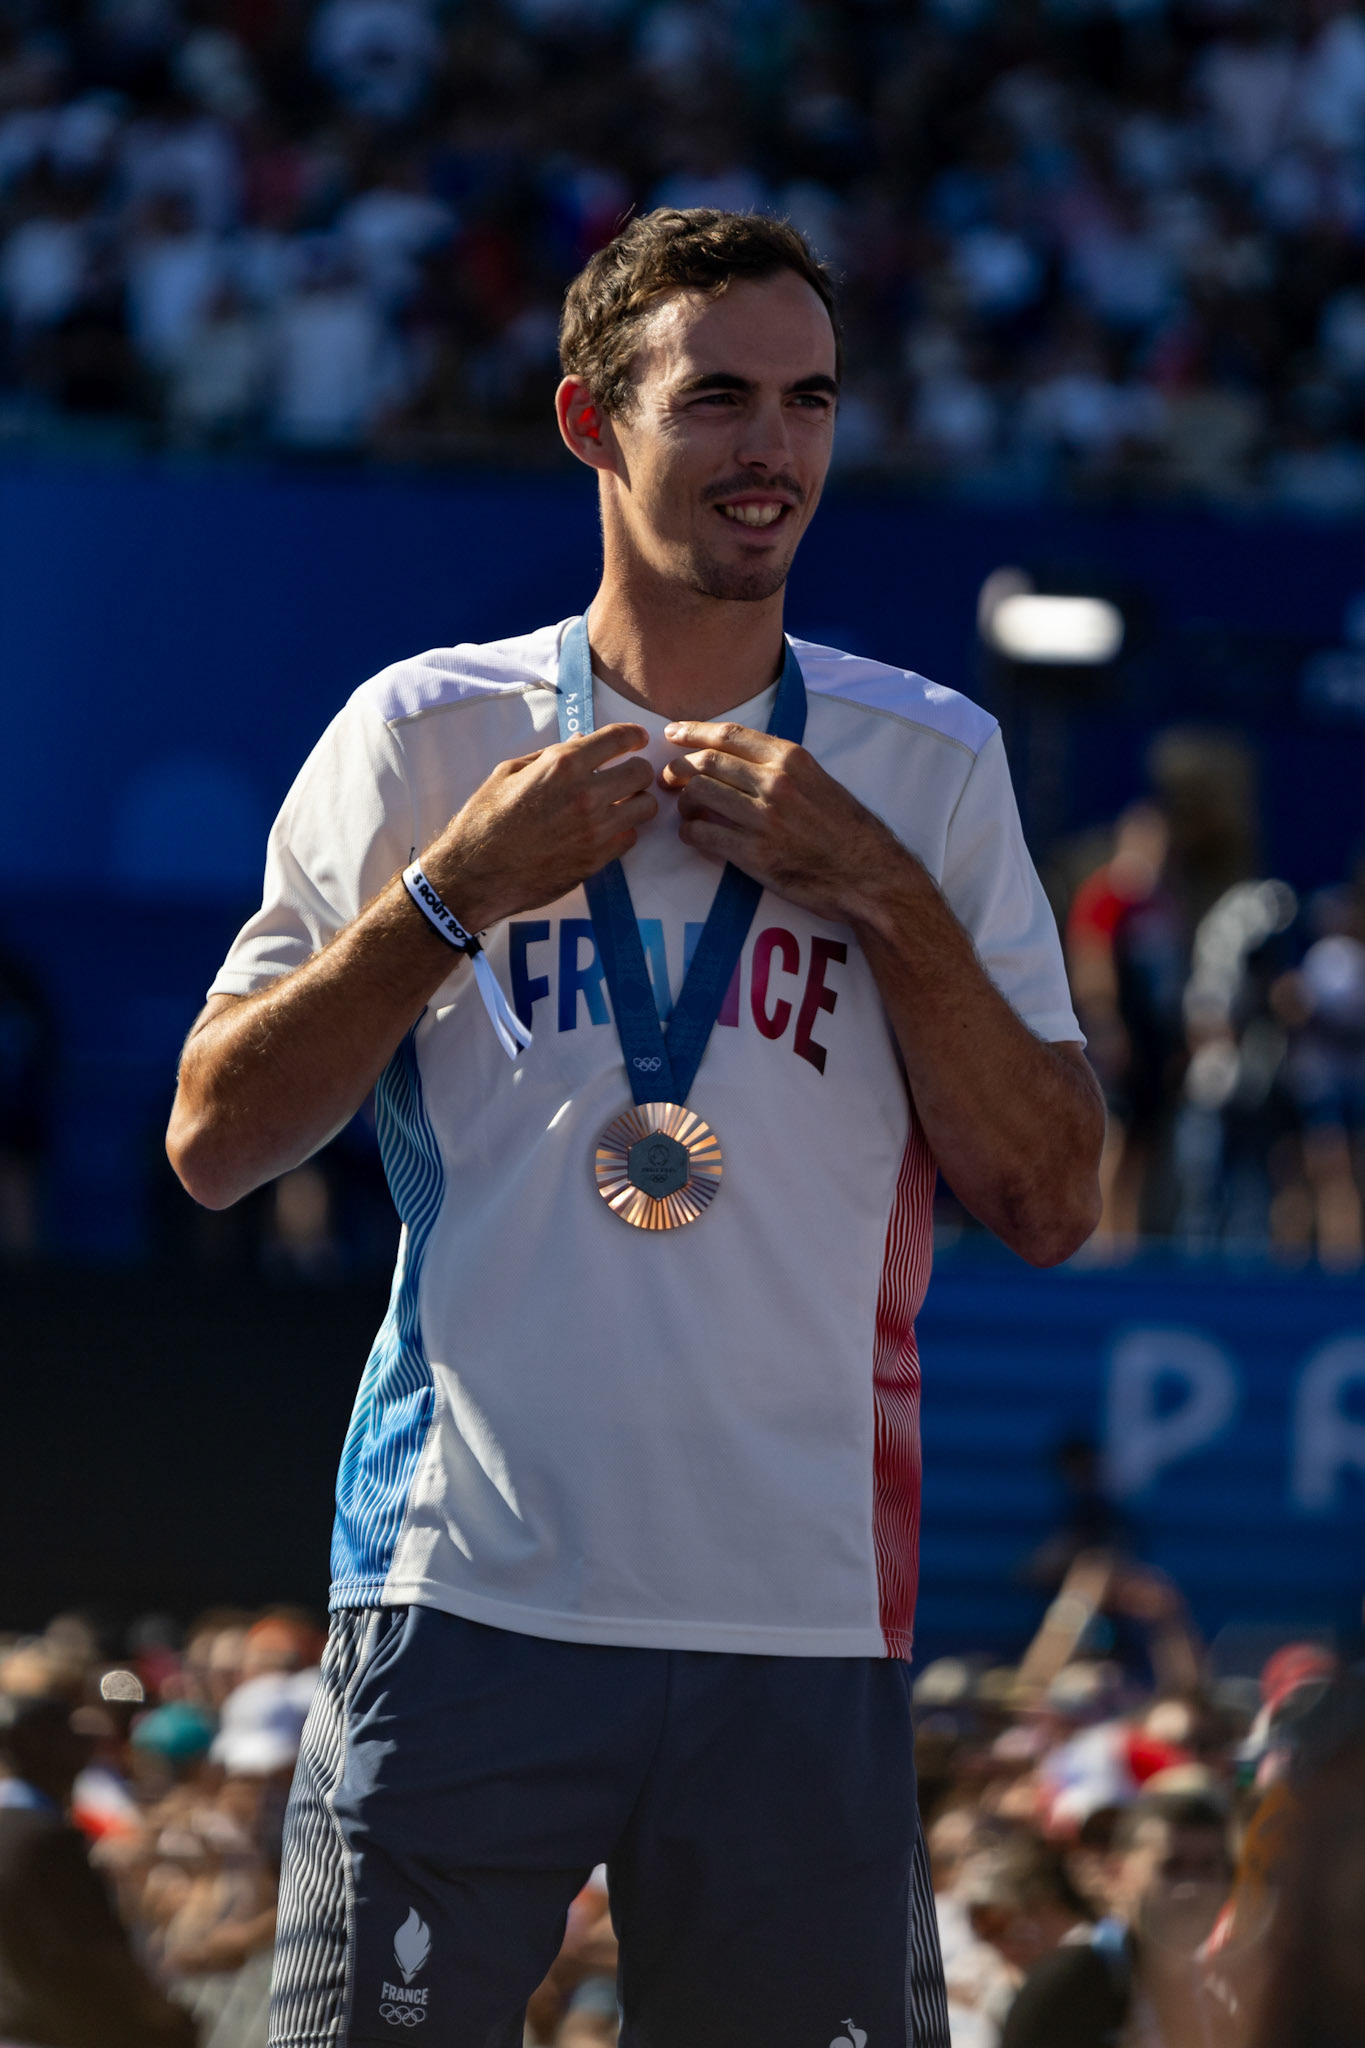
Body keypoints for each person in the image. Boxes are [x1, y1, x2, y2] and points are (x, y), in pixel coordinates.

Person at [166, 208, 1103, 2048]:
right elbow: (214, 1136)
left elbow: (1055, 1194)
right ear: (592, 419)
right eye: (722, 398)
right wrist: (451, 892)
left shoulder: (928, 766)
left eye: (810, 399)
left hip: (805, 1620)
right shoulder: (427, 733)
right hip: (466, 1591)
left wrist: (880, 890)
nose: (775, 448)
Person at [0, 1693, 197, 2048]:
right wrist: (157, 2010)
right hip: (49, 2028)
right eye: (68, 1735)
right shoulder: (48, 1841)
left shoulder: (25, 1827)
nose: (84, 1746)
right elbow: (95, 1948)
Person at [1000, 1791, 1232, 2048]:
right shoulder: (1071, 1984)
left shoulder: (1232, 1988)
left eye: (1209, 1867)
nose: (1192, 1887)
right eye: (1171, 1867)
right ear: (1117, 1872)